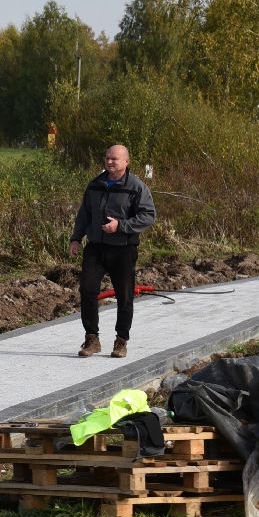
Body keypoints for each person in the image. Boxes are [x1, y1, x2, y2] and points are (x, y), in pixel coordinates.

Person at [70, 144, 156, 359]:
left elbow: (148, 216)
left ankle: (121, 341)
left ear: (126, 162)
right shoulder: (95, 185)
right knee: (88, 290)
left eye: (114, 159)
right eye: (107, 158)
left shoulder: (136, 187)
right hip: (96, 248)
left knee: (124, 296)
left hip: (123, 250)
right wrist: (76, 238)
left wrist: (121, 226)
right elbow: (84, 214)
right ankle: (92, 338)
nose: (109, 162)